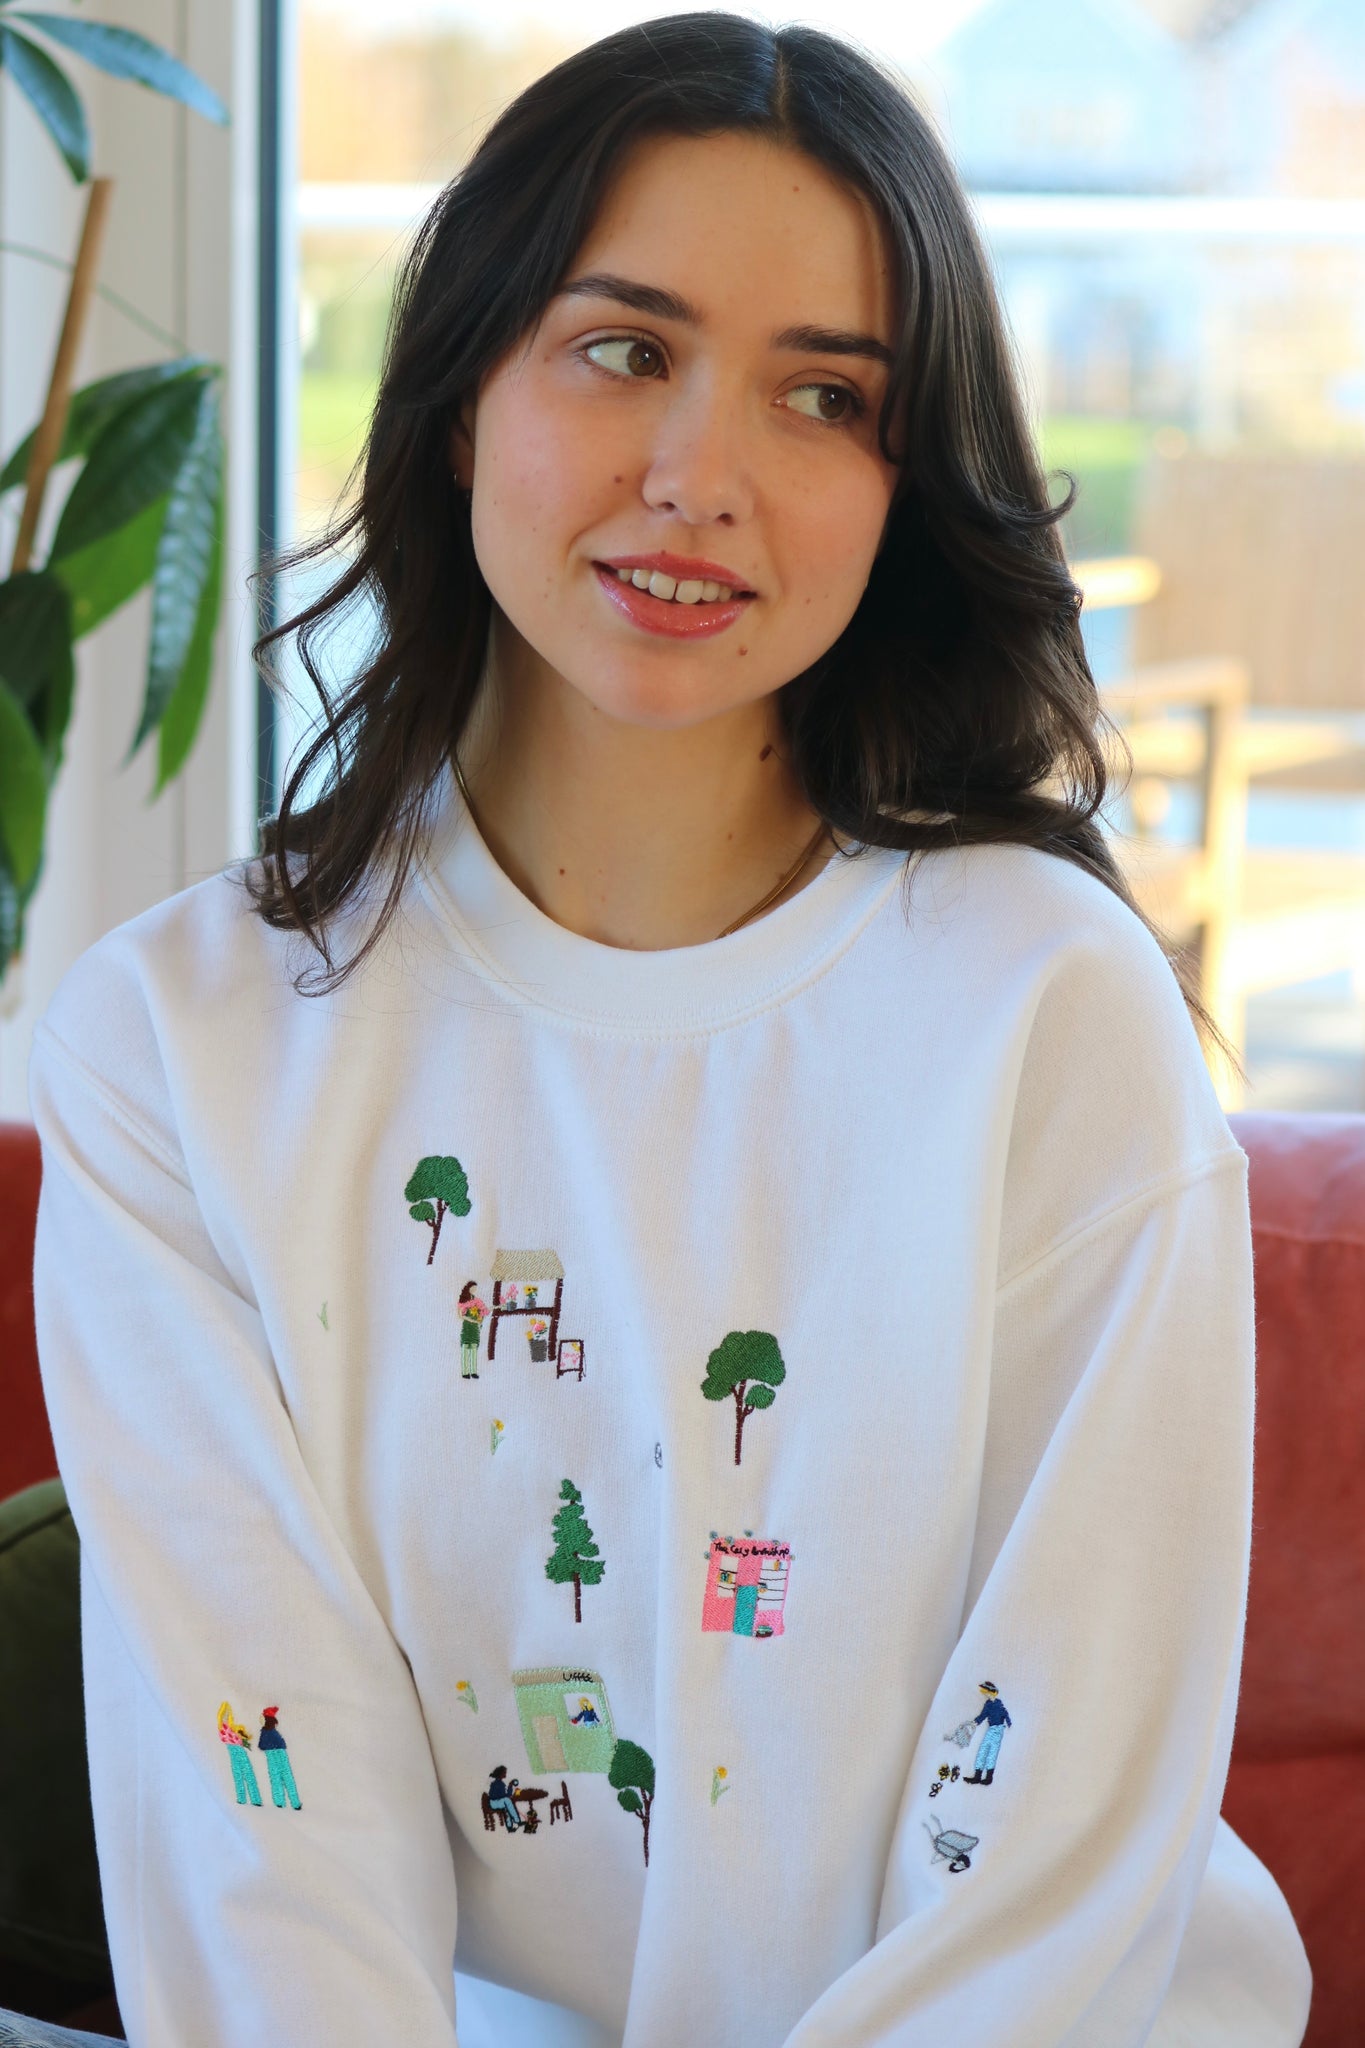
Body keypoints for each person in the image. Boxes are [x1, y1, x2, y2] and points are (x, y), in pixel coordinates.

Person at [24, 14, 1310, 2048]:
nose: (702, 478)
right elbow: (260, 1803)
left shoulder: (1044, 1011)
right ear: (461, 398)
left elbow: (1053, 1829)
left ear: (900, 487)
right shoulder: (175, 1048)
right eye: (624, 348)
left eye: (824, 397)